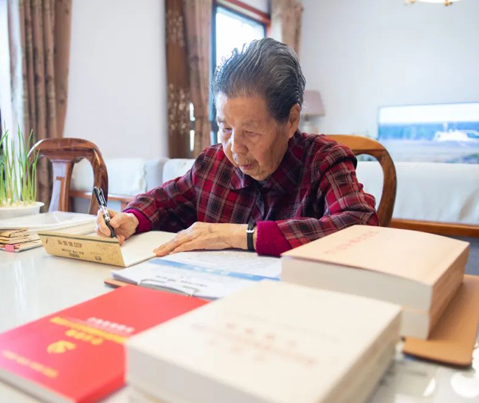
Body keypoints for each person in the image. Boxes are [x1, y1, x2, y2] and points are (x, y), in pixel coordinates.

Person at [97, 38, 378, 257]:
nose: (235, 148)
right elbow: (163, 202)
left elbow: (361, 225)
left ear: (291, 120)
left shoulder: (324, 161)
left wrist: (242, 235)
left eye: (251, 131)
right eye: (226, 128)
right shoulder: (213, 163)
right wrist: (131, 218)